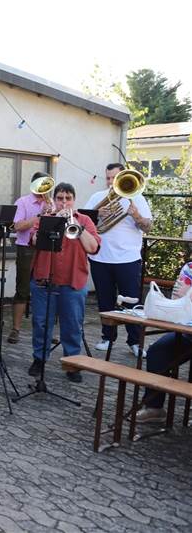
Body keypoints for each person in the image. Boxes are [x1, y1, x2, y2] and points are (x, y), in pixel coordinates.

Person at [27, 182, 100, 383]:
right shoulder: (45, 218)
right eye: (60, 198)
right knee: (41, 324)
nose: (64, 202)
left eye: (68, 198)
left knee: (72, 325)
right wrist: (53, 222)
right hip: (44, 280)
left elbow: (93, 247)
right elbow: (33, 241)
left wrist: (76, 225)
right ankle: (39, 360)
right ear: (55, 199)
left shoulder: (84, 220)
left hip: (73, 280)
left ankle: (72, 364)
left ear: (74, 200)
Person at [85, 163, 153, 358]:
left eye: (114, 178)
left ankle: (135, 342)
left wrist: (136, 215)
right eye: (107, 178)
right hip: (100, 258)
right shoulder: (97, 197)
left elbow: (148, 227)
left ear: (122, 177)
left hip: (127, 259)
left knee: (132, 303)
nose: (110, 182)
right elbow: (83, 221)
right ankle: (107, 338)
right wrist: (98, 214)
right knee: (105, 301)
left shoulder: (136, 198)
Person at [135, 261, 192, 424]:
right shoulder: (189, 267)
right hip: (188, 331)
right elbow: (176, 298)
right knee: (157, 352)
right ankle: (154, 407)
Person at [8, 171, 54, 344]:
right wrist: (40, 216)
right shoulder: (23, 202)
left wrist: (53, 213)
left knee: (46, 288)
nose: (44, 189)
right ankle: (16, 329)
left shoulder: (51, 203)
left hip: (46, 249)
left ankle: (45, 329)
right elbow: (17, 226)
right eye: (42, 184)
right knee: (23, 289)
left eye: (47, 184)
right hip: (26, 248)